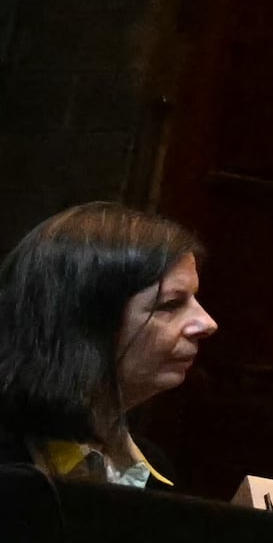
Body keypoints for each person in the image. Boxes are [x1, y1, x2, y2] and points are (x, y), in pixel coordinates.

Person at [0, 203, 215, 491]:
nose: (207, 322)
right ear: (85, 322)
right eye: (171, 304)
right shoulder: (10, 462)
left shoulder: (154, 467)